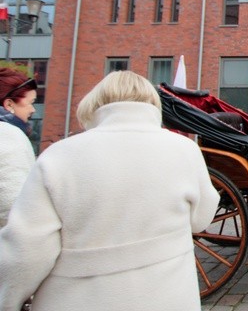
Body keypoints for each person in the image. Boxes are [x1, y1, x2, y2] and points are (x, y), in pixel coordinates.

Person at [0, 71, 219, 311]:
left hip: (79, 300)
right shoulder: (185, 150)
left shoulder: (59, 155)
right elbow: (200, 220)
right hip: (169, 298)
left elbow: (28, 250)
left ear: (95, 104)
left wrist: (9, 301)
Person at [0, 68, 37, 228]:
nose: (33, 110)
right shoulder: (9, 134)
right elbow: (13, 202)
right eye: (30, 103)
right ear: (9, 104)